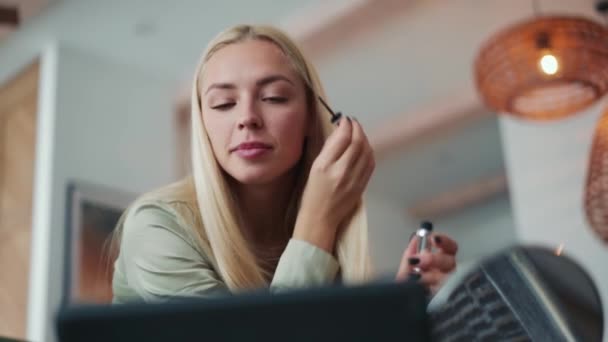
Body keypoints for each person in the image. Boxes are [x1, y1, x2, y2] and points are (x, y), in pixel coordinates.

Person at [109, 24, 458, 304]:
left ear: (310, 118)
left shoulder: (321, 227)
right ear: (203, 126)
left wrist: (400, 303)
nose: (247, 118)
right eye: (223, 104)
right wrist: (316, 223)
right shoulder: (158, 230)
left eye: (273, 97)